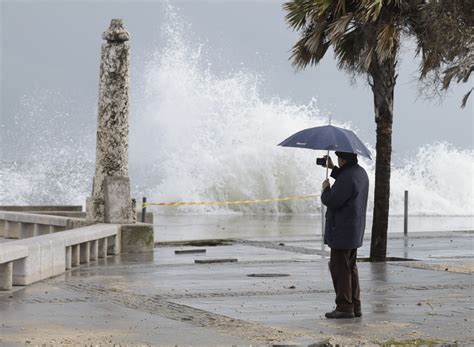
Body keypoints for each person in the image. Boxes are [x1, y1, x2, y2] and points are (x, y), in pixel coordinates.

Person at [320, 151, 369, 319]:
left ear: (343, 159)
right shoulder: (360, 172)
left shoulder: (347, 177)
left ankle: (344, 307)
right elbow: (347, 182)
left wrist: (326, 190)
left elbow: (333, 200)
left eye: (339, 159)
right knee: (350, 268)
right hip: (354, 228)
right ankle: (355, 305)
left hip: (342, 229)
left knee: (340, 269)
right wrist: (333, 169)